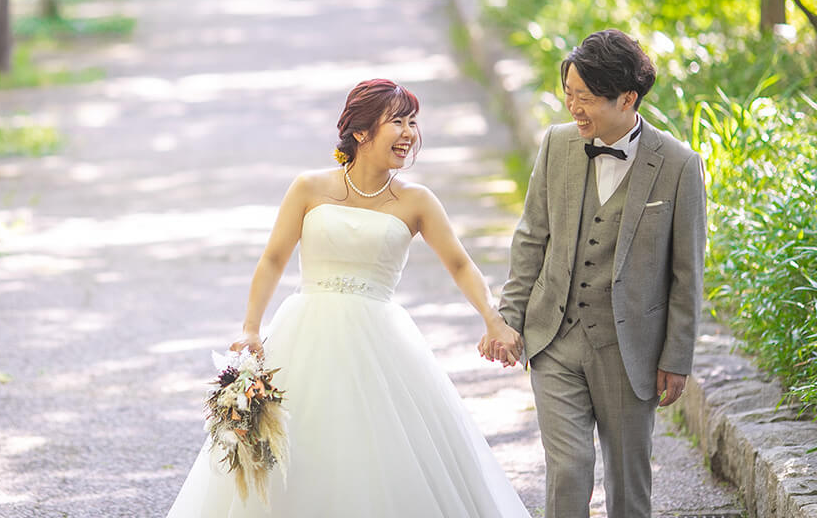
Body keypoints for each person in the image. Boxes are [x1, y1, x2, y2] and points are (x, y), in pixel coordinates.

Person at [166, 79, 531, 518]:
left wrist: (493, 319)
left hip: (381, 339)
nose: (409, 133)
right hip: (305, 330)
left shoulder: (417, 201)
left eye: (413, 122)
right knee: (293, 445)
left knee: (381, 448)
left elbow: (460, 264)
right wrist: (251, 327)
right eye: (397, 121)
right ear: (361, 132)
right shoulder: (308, 187)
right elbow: (273, 260)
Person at [481, 29, 707, 518]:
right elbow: (531, 237)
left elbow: (687, 273)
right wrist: (509, 318)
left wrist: (677, 356)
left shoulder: (679, 165)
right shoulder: (557, 144)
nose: (573, 108)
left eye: (585, 98)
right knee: (569, 467)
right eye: (568, 95)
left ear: (627, 98)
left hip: (629, 349)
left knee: (628, 481)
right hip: (555, 338)